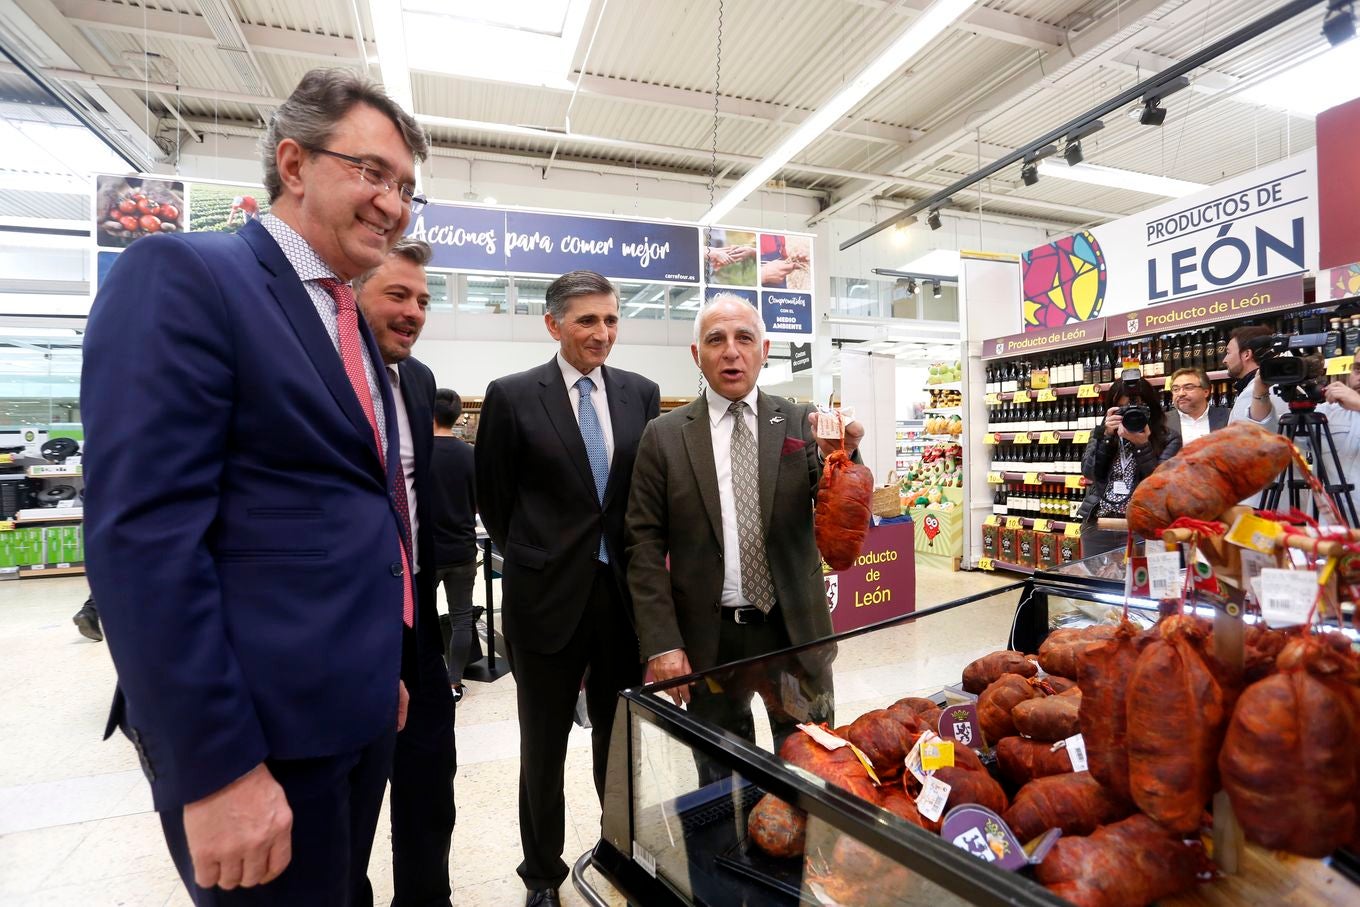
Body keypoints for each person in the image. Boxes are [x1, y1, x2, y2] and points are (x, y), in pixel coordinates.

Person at [81, 68, 428, 905]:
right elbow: (144, 539)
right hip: (254, 743)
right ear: (294, 163)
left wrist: (377, 667)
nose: (393, 202)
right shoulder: (184, 275)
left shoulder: (348, 320)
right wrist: (214, 770)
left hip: (353, 713)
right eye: (372, 171)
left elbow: (342, 509)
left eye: (408, 187)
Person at [475, 269, 660, 907]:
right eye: (587, 320)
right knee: (543, 747)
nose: (602, 333)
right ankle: (542, 877)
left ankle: (617, 853)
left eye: (610, 319)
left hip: (622, 603)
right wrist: (538, 555)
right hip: (544, 601)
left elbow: (640, 497)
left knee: (618, 745)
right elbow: (494, 500)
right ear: (553, 324)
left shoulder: (641, 393)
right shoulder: (513, 395)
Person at [625, 293, 862, 759]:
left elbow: (836, 512)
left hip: (794, 635)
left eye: (744, 338)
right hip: (710, 642)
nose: (731, 351)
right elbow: (642, 543)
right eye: (716, 339)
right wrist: (662, 642)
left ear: (764, 349)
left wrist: (845, 456)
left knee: (810, 768)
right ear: (698, 354)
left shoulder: (801, 420)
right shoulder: (665, 435)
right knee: (718, 778)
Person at [353, 238, 457, 907]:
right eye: (397, 294)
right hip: (350, 627)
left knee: (429, 789)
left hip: (417, 624)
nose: (414, 311)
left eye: (422, 299)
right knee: (351, 804)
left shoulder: (416, 378)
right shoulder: (325, 369)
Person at [1076, 376, 1170, 554]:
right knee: (1095, 579)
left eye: (1138, 409)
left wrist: (1142, 446)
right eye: (1123, 409)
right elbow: (1089, 473)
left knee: (1139, 580)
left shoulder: (1166, 437)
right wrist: (1105, 437)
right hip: (1099, 525)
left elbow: (1160, 484)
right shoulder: (1102, 433)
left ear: (1151, 408)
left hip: (1141, 528)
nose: (1130, 415)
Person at [429, 388, 478, 698]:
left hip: (427, 552)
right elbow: (478, 502)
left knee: (421, 617)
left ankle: (426, 678)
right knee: (461, 617)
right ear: (458, 415)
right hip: (462, 549)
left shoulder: (418, 453)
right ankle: (454, 682)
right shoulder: (470, 455)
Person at [1160, 367, 1229, 460]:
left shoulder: (1228, 417)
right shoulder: (1162, 422)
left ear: (1206, 391)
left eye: (1188, 388)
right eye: (1175, 389)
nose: (1181, 394)